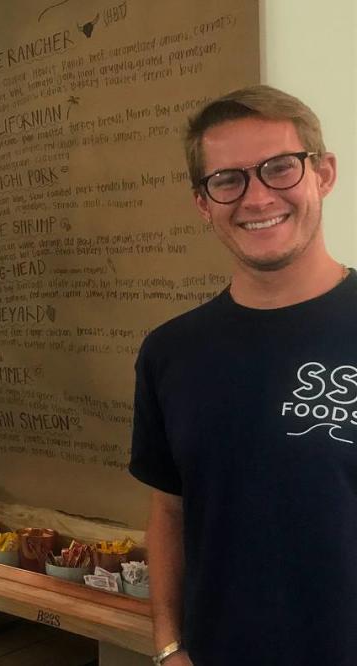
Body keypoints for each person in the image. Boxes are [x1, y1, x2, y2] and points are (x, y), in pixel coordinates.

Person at [130, 84, 356, 666]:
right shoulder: (171, 352)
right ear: (203, 202)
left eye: (280, 169)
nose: (256, 198)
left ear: (323, 174)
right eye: (228, 180)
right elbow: (169, 512)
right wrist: (168, 645)